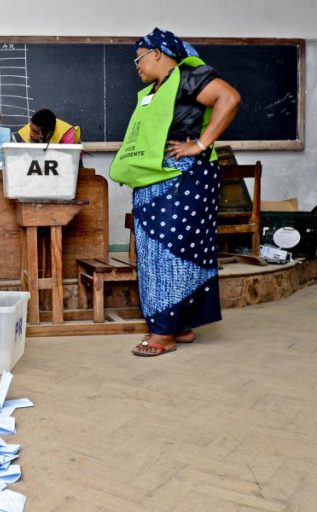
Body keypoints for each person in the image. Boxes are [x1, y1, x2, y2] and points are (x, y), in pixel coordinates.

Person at [109, 28, 241, 357]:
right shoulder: (156, 88)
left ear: (157, 53)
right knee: (154, 254)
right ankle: (180, 326)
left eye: (138, 57)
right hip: (155, 182)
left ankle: (163, 333)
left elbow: (230, 97)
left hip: (184, 181)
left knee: (173, 253)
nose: (136, 65)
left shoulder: (188, 76)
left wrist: (200, 144)